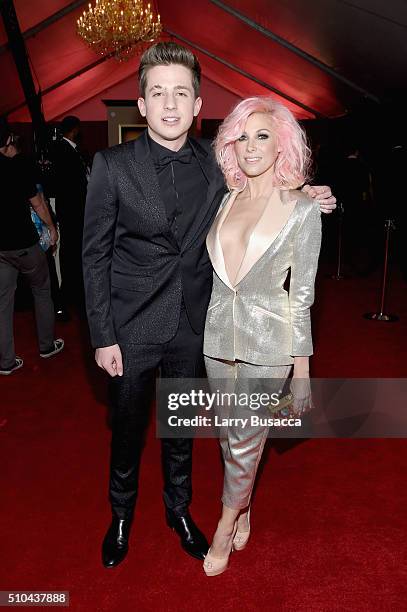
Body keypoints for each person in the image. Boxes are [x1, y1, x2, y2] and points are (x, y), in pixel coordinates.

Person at [82, 42, 335, 569]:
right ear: (142, 103)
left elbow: (265, 186)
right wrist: (103, 334)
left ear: (198, 104)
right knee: (127, 430)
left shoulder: (218, 165)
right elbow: (93, 256)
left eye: (181, 93)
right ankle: (121, 516)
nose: (170, 104)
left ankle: (179, 511)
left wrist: (308, 193)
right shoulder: (111, 165)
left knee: (181, 428)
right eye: (158, 93)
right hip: (130, 328)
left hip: (196, 327)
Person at [202, 96, 322, 576]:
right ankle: (245, 502)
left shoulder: (301, 210)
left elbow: (303, 296)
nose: (251, 146)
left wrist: (302, 372)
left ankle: (225, 525)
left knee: (248, 438)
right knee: (228, 438)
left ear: (282, 145)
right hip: (216, 343)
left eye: (263, 136)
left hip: (269, 347)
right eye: (243, 136)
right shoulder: (226, 197)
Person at [0, 119, 64, 375]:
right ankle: (47, 346)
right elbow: (38, 203)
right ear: (8, 140)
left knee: (3, 303)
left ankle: (5, 362)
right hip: (25, 244)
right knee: (41, 290)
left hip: (1, 249)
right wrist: (52, 228)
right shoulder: (19, 166)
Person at [52, 115, 89, 312]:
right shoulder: (66, 151)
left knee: (71, 252)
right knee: (72, 253)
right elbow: (75, 185)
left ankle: (71, 293)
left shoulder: (62, 150)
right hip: (73, 211)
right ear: (74, 130)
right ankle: (72, 295)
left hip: (69, 210)